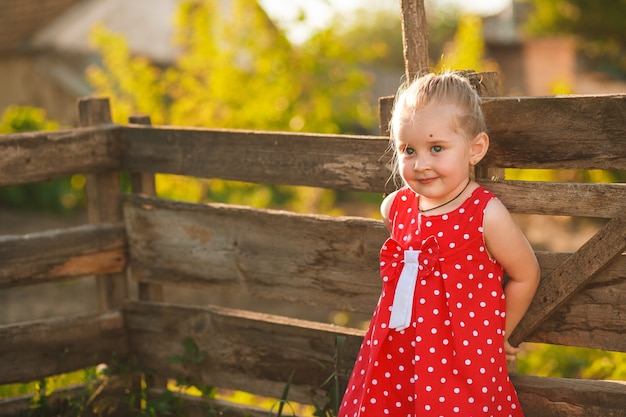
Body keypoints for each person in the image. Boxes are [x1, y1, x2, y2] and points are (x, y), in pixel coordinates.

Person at [338, 72, 540, 417]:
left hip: (461, 359)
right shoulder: (397, 207)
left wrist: (496, 337)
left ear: (475, 149)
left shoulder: (484, 214)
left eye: (436, 148)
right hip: (397, 350)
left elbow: (526, 274)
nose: (421, 164)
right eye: (408, 150)